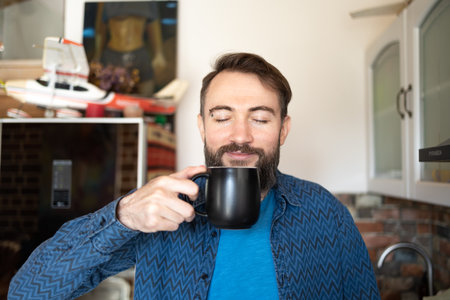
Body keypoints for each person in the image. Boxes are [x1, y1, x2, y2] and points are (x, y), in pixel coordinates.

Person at [8, 53, 380, 299]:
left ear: (283, 129)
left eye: (260, 118)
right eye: (221, 117)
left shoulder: (325, 213)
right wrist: (122, 216)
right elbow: (27, 291)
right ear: (202, 127)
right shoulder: (158, 209)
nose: (240, 135)